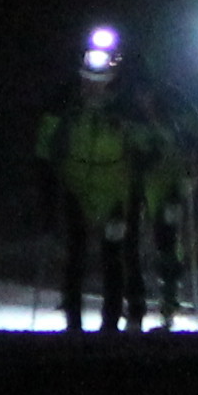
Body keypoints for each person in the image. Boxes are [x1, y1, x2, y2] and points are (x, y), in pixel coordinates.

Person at [35, 55, 143, 338]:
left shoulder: (125, 110)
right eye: (88, 80)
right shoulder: (65, 107)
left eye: (100, 82)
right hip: (76, 190)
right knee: (76, 256)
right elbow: (45, 148)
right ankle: (73, 322)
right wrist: (47, 189)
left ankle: (110, 323)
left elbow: (145, 143)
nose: (93, 87)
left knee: (112, 258)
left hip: (114, 195)